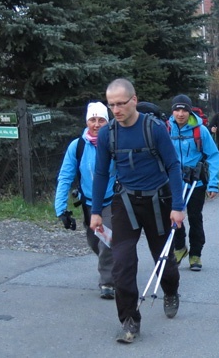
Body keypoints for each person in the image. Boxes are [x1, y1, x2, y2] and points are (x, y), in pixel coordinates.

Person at [90, 78, 185, 344]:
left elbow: (173, 166)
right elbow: (100, 173)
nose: (116, 110)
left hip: (159, 201)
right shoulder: (108, 133)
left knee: (163, 262)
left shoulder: (154, 128)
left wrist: (178, 206)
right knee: (122, 265)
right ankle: (130, 321)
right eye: (111, 105)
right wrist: (96, 211)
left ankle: (171, 290)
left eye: (121, 103)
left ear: (134, 100)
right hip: (125, 203)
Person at [54, 102, 115, 300]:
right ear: (87, 121)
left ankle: (107, 282)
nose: (96, 124)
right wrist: (61, 209)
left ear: (108, 121)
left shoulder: (115, 142)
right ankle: (116, 263)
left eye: (101, 120)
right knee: (93, 241)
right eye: (92, 120)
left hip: (112, 200)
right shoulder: (77, 146)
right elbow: (65, 176)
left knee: (106, 240)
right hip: (88, 202)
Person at [169, 94, 219, 271]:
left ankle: (196, 254)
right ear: (173, 111)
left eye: (184, 110)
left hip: (195, 183)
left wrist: (213, 183)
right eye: (177, 109)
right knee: (174, 219)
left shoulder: (200, 131)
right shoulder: (167, 130)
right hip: (173, 183)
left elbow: (213, 156)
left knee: (195, 218)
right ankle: (179, 248)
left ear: (189, 111)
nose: (181, 113)